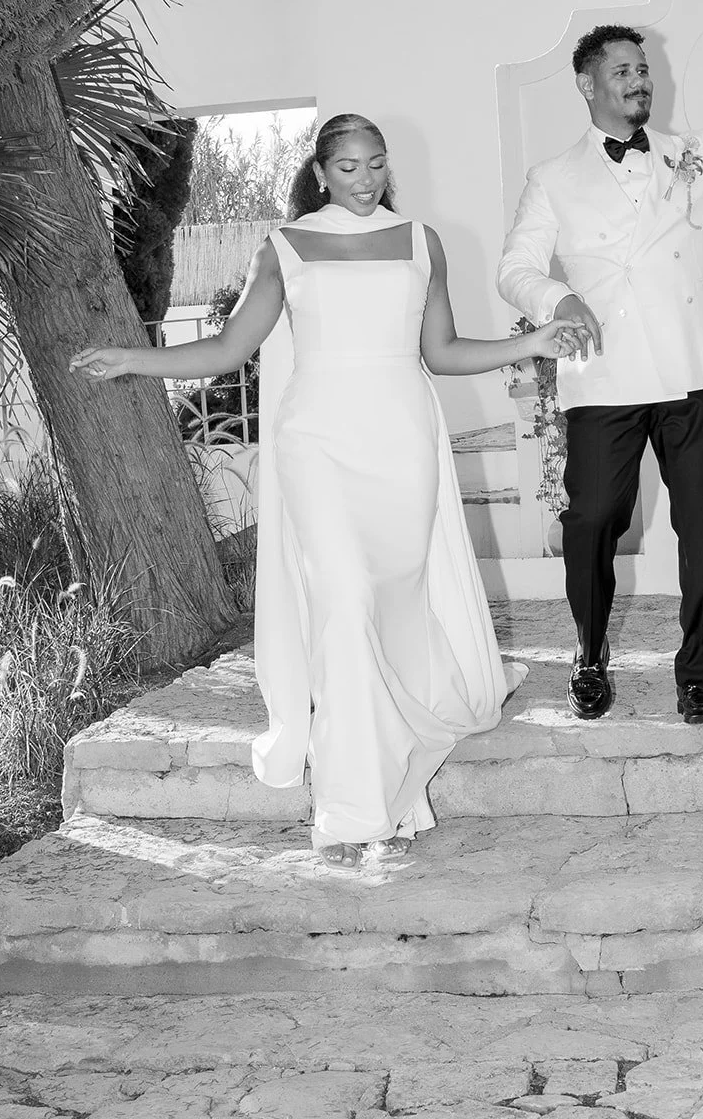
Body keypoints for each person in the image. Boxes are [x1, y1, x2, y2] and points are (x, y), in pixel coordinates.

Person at [71, 114, 582, 871]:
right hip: (317, 441)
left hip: (400, 440)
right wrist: (132, 360)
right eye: (348, 167)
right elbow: (230, 348)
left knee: (395, 604)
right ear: (320, 170)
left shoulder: (420, 241)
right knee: (341, 602)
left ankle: (395, 743)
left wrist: (530, 342)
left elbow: (439, 353)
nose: (366, 179)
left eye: (375, 163)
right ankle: (357, 807)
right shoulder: (284, 247)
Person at [497, 9, 703, 724]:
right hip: (604, 368)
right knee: (592, 518)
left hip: (693, 364)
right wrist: (558, 297)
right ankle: (589, 654)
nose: (638, 80)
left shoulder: (689, 152)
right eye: (623, 70)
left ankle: (697, 674)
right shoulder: (552, 177)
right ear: (587, 85)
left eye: (643, 70)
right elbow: (514, 268)